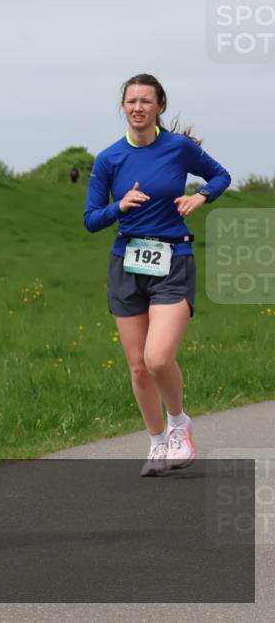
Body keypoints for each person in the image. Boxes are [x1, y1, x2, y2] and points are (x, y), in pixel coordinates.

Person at [84, 73, 231, 477]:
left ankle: (179, 423)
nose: (137, 107)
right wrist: (120, 207)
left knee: (158, 356)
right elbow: (91, 219)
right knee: (137, 365)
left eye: (146, 101)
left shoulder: (179, 148)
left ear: (159, 107)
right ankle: (156, 442)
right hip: (127, 263)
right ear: (123, 107)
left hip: (173, 259)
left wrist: (200, 196)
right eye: (131, 101)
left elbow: (221, 176)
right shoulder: (109, 159)